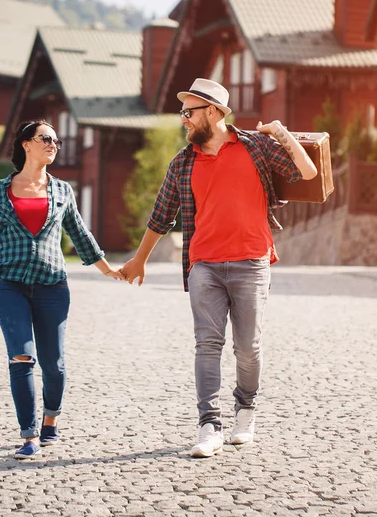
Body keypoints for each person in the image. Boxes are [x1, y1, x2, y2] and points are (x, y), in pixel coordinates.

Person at [120, 78, 317, 458]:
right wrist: (139, 259)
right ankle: (209, 425)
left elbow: (307, 173)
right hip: (204, 265)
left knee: (248, 348)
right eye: (183, 114)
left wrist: (280, 132)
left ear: (212, 112)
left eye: (188, 113)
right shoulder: (183, 162)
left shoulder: (257, 146)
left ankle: (246, 408)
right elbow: (162, 217)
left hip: (252, 261)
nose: (184, 121)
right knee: (207, 345)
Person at [0, 119, 124, 460]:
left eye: (56, 141)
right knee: (21, 357)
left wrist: (107, 268)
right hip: (9, 285)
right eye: (45, 138)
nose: (53, 144)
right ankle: (29, 434)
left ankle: (51, 421)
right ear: (26, 144)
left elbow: (79, 233)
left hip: (53, 286)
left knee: (55, 364)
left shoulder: (62, 190)